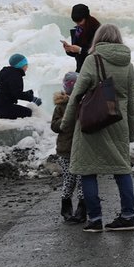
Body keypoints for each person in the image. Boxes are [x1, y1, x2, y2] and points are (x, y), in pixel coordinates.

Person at [60, 24, 134, 231]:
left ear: (99, 39)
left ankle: (95, 219)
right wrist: (131, 130)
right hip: (117, 120)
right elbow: (130, 100)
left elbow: (77, 94)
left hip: (92, 121)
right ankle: (128, 216)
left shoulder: (92, 60)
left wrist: (65, 124)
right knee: (122, 169)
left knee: (87, 170)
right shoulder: (127, 65)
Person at [50, 72, 85, 222]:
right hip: (65, 150)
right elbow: (54, 126)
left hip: (82, 148)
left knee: (83, 179)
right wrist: (65, 120)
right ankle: (66, 206)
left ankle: (83, 208)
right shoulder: (61, 106)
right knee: (70, 179)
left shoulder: (84, 102)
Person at [0, 53, 41, 119]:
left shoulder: (10, 73)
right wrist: (32, 98)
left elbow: (12, 91)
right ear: (20, 65)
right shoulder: (15, 76)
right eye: (26, 64)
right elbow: (17, 94)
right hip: (3, 106)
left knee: (23, 111)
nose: (27, 66)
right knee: (28, 112)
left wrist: (27, 94)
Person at [62, 3, 101, 73]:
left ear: (86, 18)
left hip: (93, 70)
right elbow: (77, 54)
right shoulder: (78, 30)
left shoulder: (97, 30)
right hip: (81, 69)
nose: (78, 24)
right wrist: (69, 50)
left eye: (80, 21)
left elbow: (99, 53)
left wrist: (80, 50)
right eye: (76, 22)